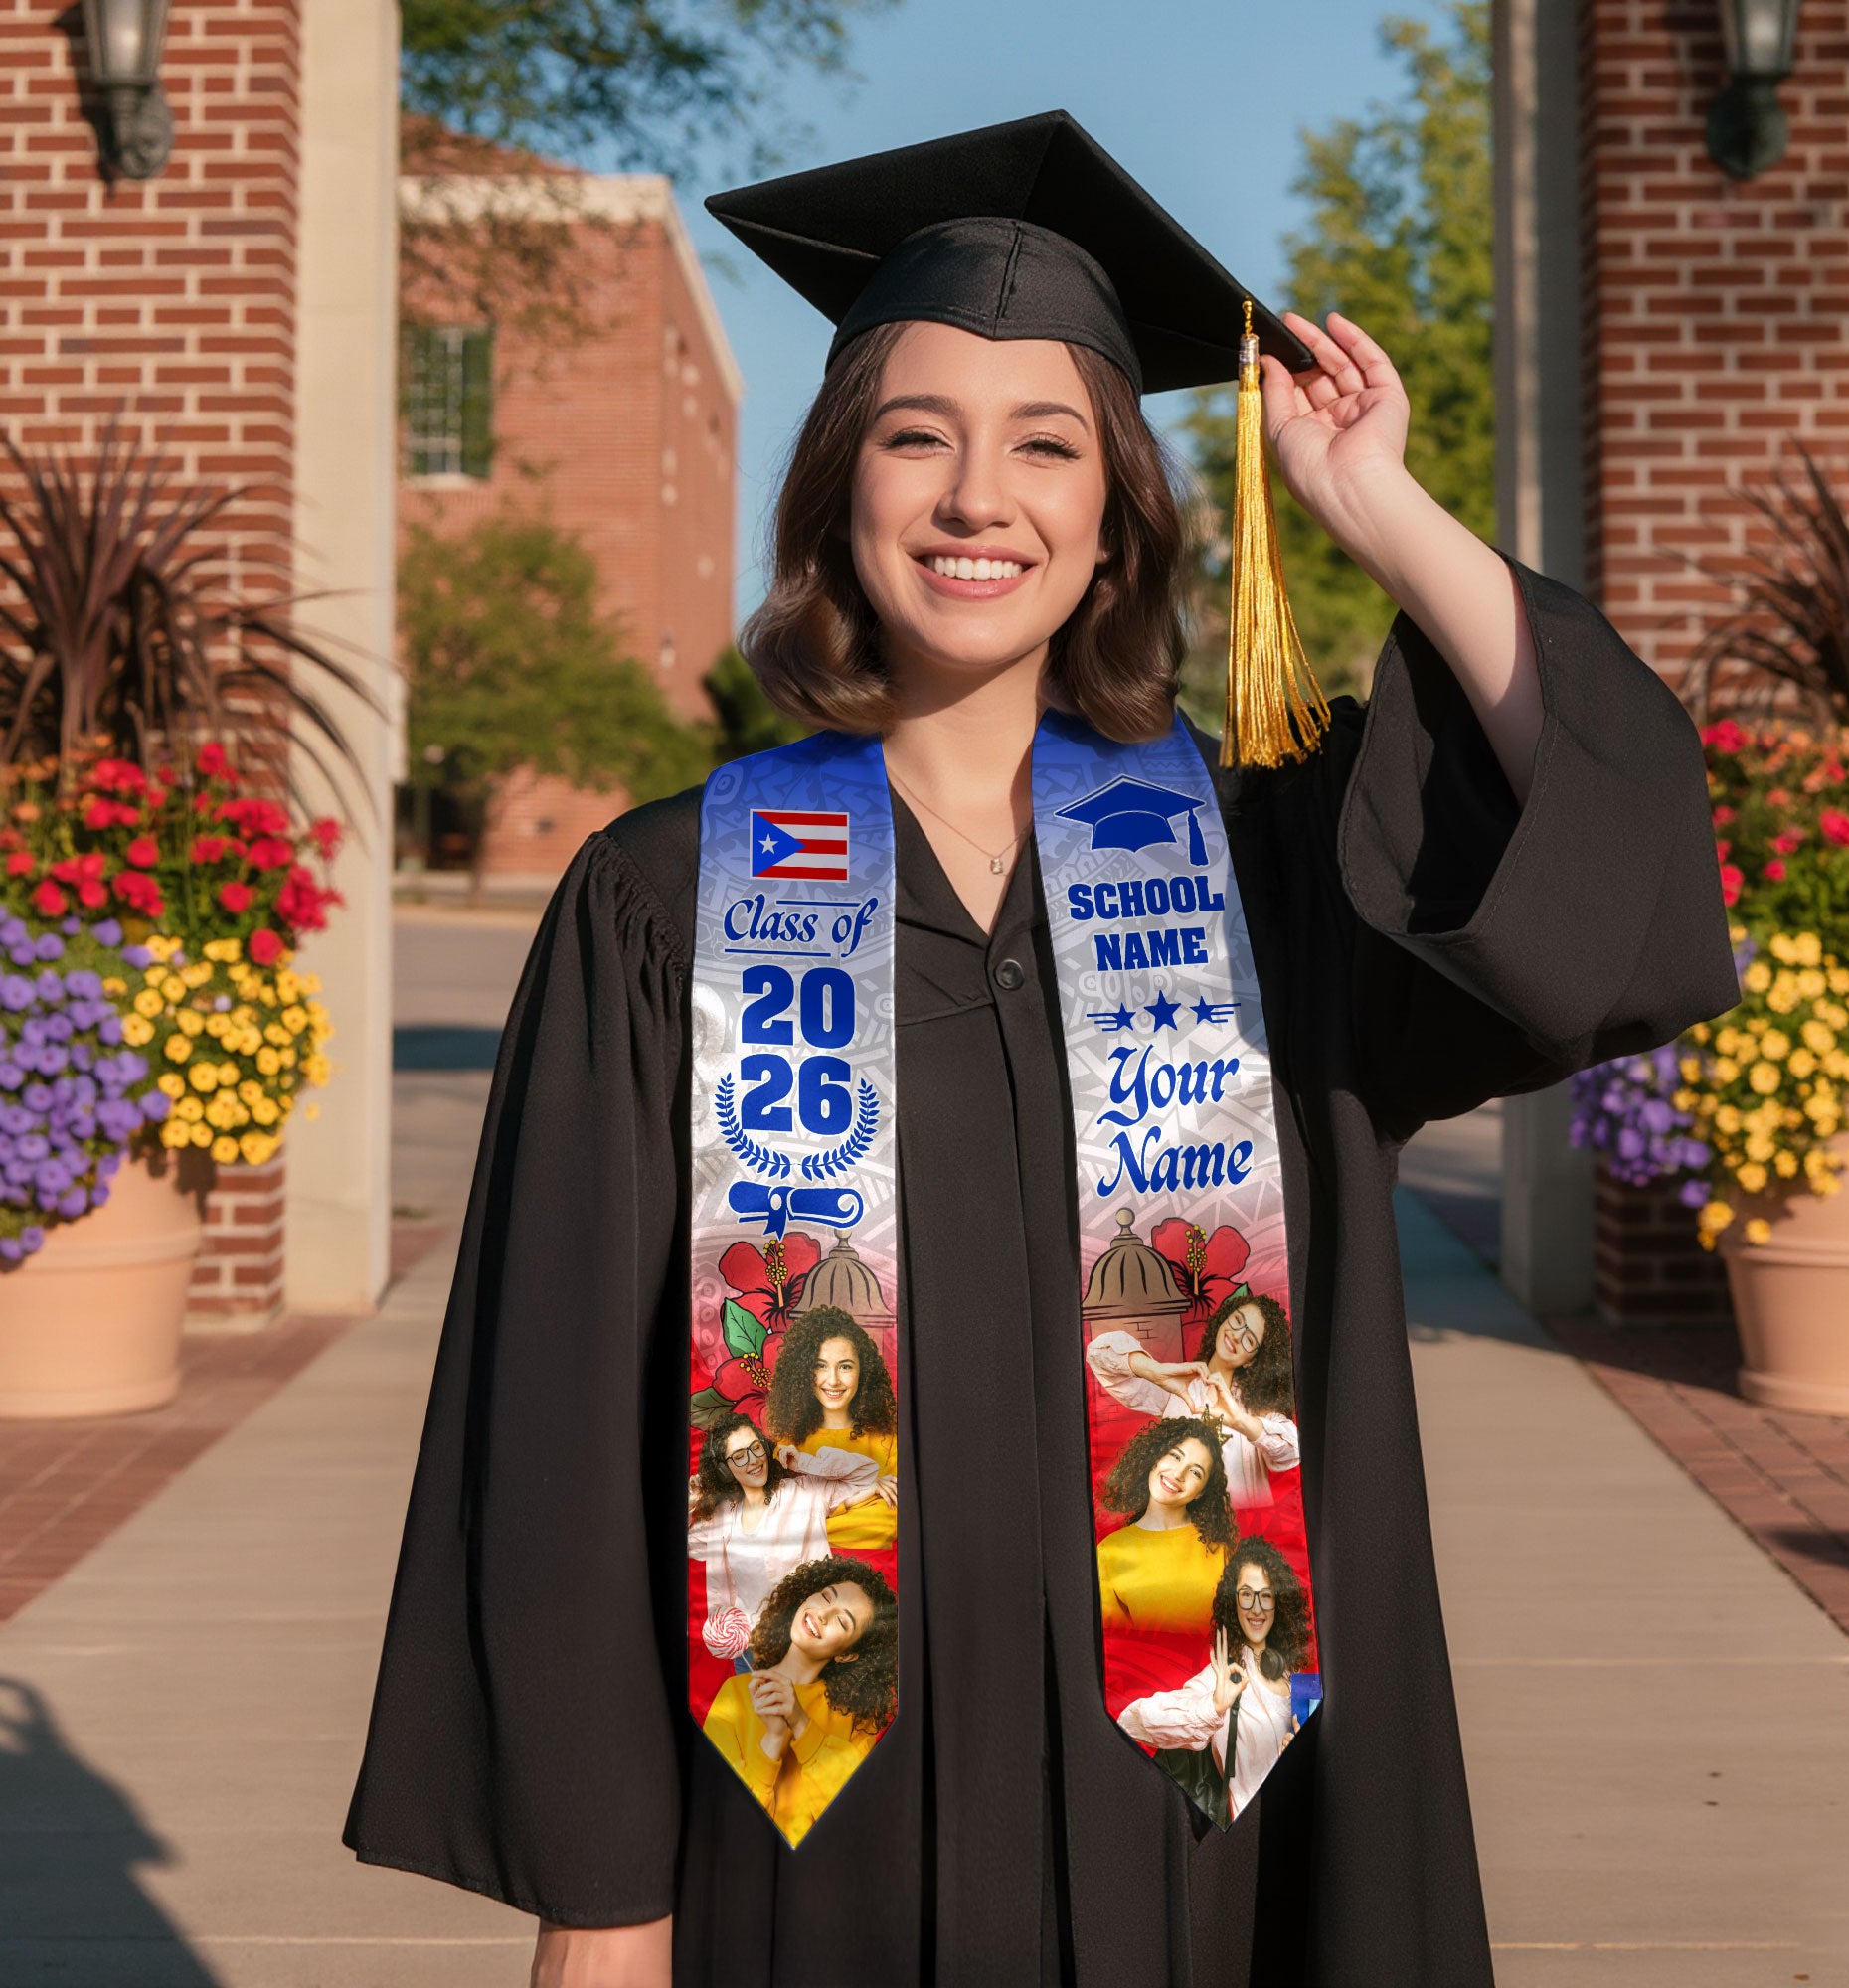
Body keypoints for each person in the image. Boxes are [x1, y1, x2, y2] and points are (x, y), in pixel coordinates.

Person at [344, 112, 1739, 1988]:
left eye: (1046, 445)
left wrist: (1375, 505)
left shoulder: (1268, 872)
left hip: (1209, 1827)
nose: (976, 498)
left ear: (1116, 517)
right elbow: (562, 1420)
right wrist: (601, 1900)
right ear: (840, 486)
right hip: (806, 1824)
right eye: (918, 436)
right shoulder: (664, 902)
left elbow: (1607, 862)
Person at [700, 1557, 899, 1848]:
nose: (823, 1614)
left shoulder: (858, 1719)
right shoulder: (735, 1694)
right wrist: (773, 1739)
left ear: (846, 1654)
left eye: (842, 1621)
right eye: (825, 1597)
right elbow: (723, 1819)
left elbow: (856, 1822)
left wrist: (801, 1722)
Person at [1118, 1537, 1314, 1826]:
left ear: (1278, 1603)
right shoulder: (1224, 1676)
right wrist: (1212, 1706)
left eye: (1266, 1595)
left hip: (1300, 1825)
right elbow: (1131, 1720)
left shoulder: (1297, 1682)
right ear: (1233, 1602)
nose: (1256, 1608)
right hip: (1251, 1833)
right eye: (1246, 1595)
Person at [687, 1410, 881, 1663]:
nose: (753, 1460)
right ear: (725, 1470)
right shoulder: (723, 1517)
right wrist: (691, 1502)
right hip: (752, 1653)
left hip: (808, 1645)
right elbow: (689, 1545)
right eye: (739, 1456)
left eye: (756, 1448)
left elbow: (867, 1472)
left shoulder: (804, 1493)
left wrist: (803, 1463)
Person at [1086, 1289, 1297, 1507]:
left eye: (1249, 1339)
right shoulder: (1177, 1387)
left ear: (1252, 1360)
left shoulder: (1258, 1408)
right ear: (1224, 1318)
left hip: (1240, 1524)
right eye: (1237, 1321)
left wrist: (1240, 1421)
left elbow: (1292, 1451)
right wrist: (1155, 1370)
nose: (1236, 1335)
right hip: (1179, 1521)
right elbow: (1097, 1353)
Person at [762, 1306, 898, 1551]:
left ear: (863, 1371)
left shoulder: (888, 1441)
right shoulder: (788, 1445)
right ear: (803, 1372)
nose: (833, 1380)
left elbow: (885, 1523)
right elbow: (774, 1519)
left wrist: (808, 1526)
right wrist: (858, 1500)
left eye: (845, 1366)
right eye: (820, 1365)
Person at [1093, 1416, 1238, 1633]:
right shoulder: (1109, 1552)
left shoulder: (1221, 1548)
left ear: (1200, 1493)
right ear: (1156, 1458)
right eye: (1175, 1456)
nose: (1178, 1474)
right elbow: (1116, 1642)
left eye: (1195, 1472)